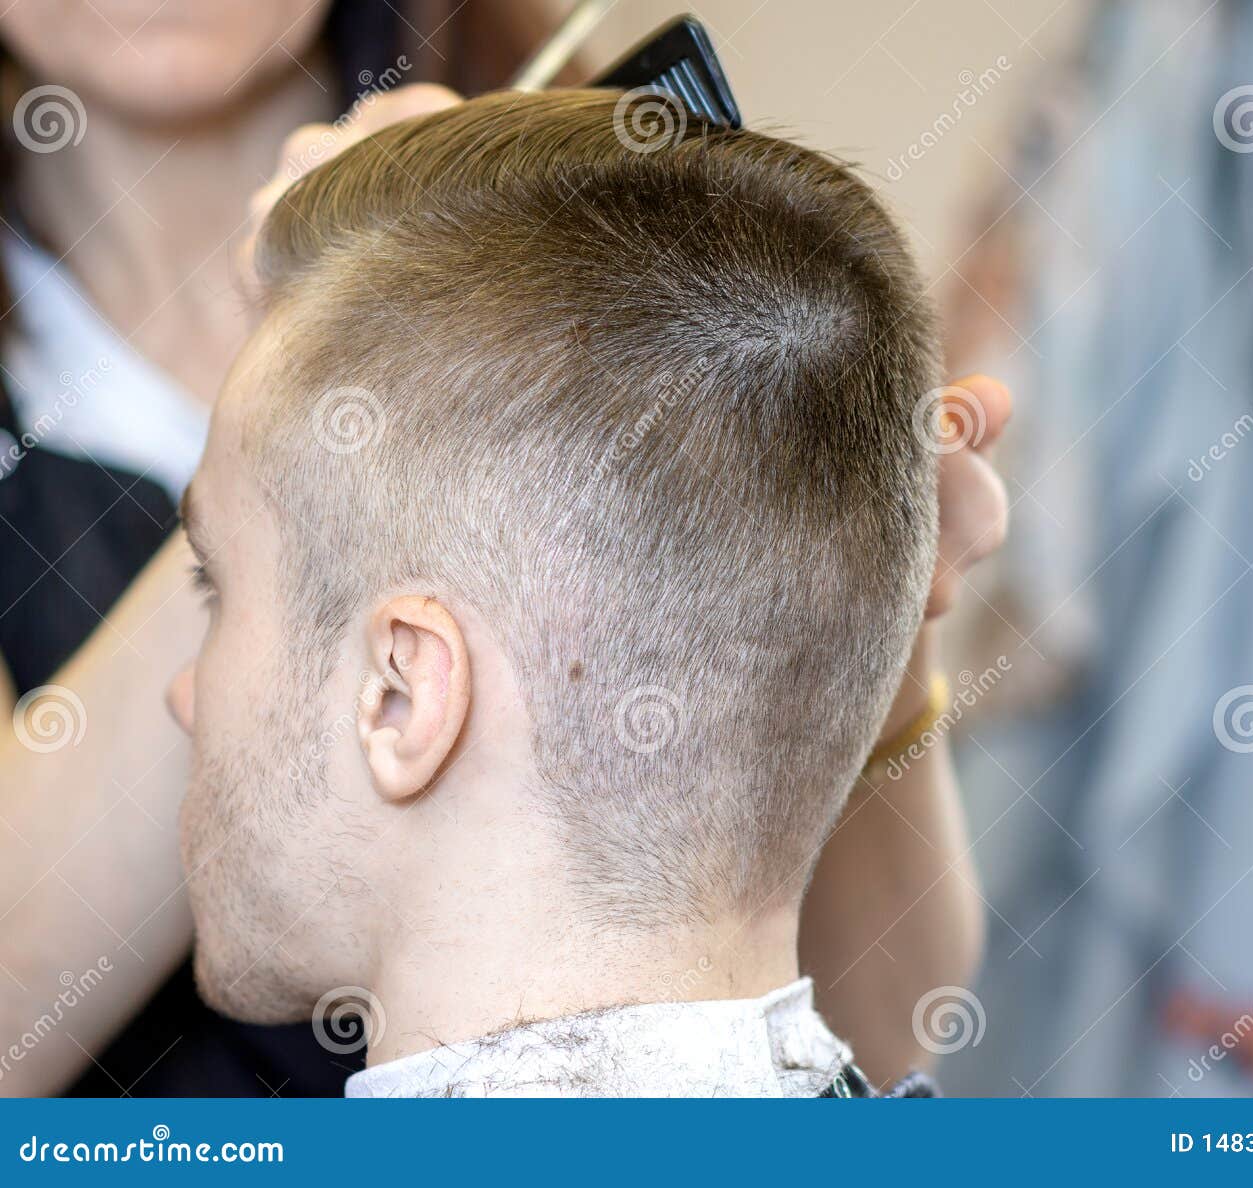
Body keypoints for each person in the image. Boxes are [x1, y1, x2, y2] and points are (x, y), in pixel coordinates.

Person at [0, 1, 1006, 1097]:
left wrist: (860, 576)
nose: (188, 705)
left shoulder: (625, 205)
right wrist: (343, 381)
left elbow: (873, 1019)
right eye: (216, 574)